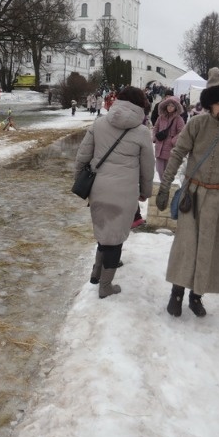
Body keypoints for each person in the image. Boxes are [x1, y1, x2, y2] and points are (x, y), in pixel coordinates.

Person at [155, 67, 219, 318]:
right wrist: (165, 186)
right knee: (186, 245)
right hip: (193, 196)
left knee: (211, 248)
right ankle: (177, 293)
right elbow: (177, 155)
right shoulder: (196, 124)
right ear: (210, 104)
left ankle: (196, 295)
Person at [74, 86, 155, 299]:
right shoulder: (142, 132)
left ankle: (96, 273)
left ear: (118, 100)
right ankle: (105, 286)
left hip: (98, 188)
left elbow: (82, 156)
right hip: (125, 193)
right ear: (141, 105)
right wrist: (145, 191)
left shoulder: (99, 123)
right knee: (115, 237)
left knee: (104, 231)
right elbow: (148, 167)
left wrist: (80, 182)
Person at [151, 96, 186, 179]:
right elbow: (156, 127)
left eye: (172, 106)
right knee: (159, 169)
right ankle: (163, 183)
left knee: (167, 170)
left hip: (170, 148)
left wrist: (173, 141)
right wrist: (155, 137)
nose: (170, 108)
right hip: (159, 146)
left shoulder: (179, 119)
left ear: (176, 107)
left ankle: (164, 186)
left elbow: (182, 132)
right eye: (168, 105)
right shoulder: (161, 117)